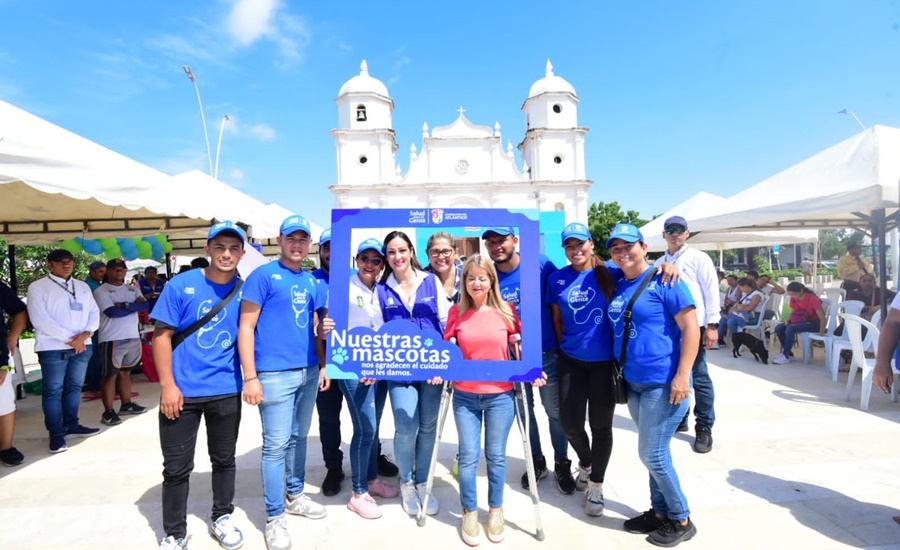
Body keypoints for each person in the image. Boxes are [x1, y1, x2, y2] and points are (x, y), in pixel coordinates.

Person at [152, 221, 247, 550]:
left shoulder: (245, 290)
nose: (226, 254)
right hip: (182, 393)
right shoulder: (181, 284)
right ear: (207, 249)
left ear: (242, 254)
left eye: (233, 248)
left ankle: (222, 516)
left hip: (226, 389)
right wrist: (168, 386)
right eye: (219, 247)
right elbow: (161, 336)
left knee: (224, 459)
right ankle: (175, 532)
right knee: (176, 467)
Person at [239, 215, 329, 550]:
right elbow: (246, 327)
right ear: (279, 240)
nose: (297, 244)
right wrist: (251, 376)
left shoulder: (312, 281)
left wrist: (323, 361)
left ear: (310, 244)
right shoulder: (262, 276)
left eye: (303, 239)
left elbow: (315, 327)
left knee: (298, 438)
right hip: (274, 374)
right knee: (275, 446)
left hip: (308, 370)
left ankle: (295, 494)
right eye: (291, 238)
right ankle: (274, 516)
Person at [607, 223, 699, 548]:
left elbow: (691, 328)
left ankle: (681, 518)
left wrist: (683, 375)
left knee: (653, 454)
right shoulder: (619, 281)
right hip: (633, 382)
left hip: (663, 383)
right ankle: (659, 512)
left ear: (644, 247)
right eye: (616, 249)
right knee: (653, 453)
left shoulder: (667, 280)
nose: (623, 253)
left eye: (628, 246)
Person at [444, 254, 544, 545]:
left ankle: (496, 510)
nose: (476, 283)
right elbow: (446, 351)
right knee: (468, 456)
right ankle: (469, 511)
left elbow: (523, 349)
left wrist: (533, 371)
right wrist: (440, 369)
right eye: (471, 278)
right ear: (464, 281)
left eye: (482, 277)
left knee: (496, 456)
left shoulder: (507, 311)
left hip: (500, 395)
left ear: (491, 281)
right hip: (465, 395)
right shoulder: (456, 313)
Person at [482, 226, 575, 494]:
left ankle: (562, 462)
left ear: (515, 240)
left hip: (546, 353)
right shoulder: (490, 276)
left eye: (502, 240)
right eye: (490, 242)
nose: (496, 246)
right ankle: (536, 461)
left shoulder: (540, 263)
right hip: (511, 359)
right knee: (524, 413)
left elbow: (564, 289)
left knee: (554, 412)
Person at [371, 230, 450, 517]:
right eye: (391, 252)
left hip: (432, 368)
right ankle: (406, 482)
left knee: (428, 427)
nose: (397, 257)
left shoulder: (431, 281)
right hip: (399, 369)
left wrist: (445, 362)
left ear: (411, 252)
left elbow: (446, 322)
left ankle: (423, 482)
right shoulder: (381, 289)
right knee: (406, 427)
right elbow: (377, 331)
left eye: (402, 250)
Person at [545, 222, 618, 516]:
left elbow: (640, 274)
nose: (576, 250)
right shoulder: (557, 279)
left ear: (591, 244)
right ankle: (586, 465)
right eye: (569, 246)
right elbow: (557, 318)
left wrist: (665, 267)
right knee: (570, 424)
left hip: (603, 364)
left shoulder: (610, 273)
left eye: (580, 244)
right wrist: (568, 346)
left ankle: (596, 485)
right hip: (571, 361)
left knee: (601, 427)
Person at [338, 238, 400, 519]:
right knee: (365, 428)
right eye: (365, 258)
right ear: (356, 260)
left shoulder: (383, 289)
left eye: (376, 260)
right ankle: (358, 493)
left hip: (381, 367)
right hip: (354, 369)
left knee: (373, 429)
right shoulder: (344, 288)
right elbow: (333, 328)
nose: (370, 264)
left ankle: (372, 481)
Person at [653, 216, 720, 454]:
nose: (675, 234)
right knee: (675, 373)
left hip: (695, 326)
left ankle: (704, 427)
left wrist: (712, 325)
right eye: (670, 230)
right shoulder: (659, 262)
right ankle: (680, 416)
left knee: (699, 376)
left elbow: (711, 291)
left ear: (687, 233)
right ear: (664, 235)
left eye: (679, 229)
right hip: (669, 328)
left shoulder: (698, 258)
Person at [26, 249, 101, 453]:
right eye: (60, 262)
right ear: (50, 265)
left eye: (69, 261)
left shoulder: (82, 286)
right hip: (53, 348)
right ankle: (56, 434)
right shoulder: (38, 287)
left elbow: (94, 312)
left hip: (83, 346)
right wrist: (72, 339)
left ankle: (72, 425)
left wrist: (86, 334)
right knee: (53, 391)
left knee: (74, 388)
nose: (66, 265)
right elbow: (40, 319)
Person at [310, 227, 346, 496]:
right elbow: (313, 329)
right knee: (329, 419)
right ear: (320, 251)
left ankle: (373, 457)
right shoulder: (311, 281)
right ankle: (334, 467)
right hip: (324, 363)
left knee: (367, 418)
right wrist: (324, 365)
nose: (332, 252)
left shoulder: (358, 275)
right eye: (326, 247)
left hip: (357, 361)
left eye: (337, 247)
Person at [93, 258, 149, 426]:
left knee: (126, 372)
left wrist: (124, 305)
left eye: (122, 269)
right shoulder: (102, 291)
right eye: (115, 269)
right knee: (110, 375)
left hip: (132, 336)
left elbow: (145, 306)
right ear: (108, 271)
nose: (119, 272)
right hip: (112, 338)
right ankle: (108, 411)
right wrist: (132, 307)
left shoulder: (132, 289)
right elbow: (111, 312)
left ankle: (126, 404)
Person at [0, 280, 27, 467]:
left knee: (4, 403)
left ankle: (6, 447)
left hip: (0, 359)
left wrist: (12, 337)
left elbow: (20, 311)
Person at [772, 282, 826, 365]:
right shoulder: (793, 299)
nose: (793, 297)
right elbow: (795, 313)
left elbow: (822, 317)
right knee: (779, 328)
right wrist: (789, 320)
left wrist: (822, 332)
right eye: (791, 295)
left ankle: (785, 354)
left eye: (795, 294)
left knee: (791, 328)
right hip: (801, 322)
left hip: (815, 324)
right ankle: (789, 354)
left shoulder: (812, 299)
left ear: (801, 291)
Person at [83, 261, 107, 396]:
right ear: (92, 272)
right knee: (95, 355)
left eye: (104, 272)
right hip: (92, 326)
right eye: (100, 272)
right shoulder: (89, 285)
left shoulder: (98, 284)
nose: (103, 274)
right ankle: (93, 385)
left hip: (98, 324)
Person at [424, 231, 462, 303]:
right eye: (435, 251)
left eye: (446, 251)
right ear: (427, 253)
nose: (441, 257)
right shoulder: (421, 280)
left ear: (455, 252)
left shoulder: (467, 274)